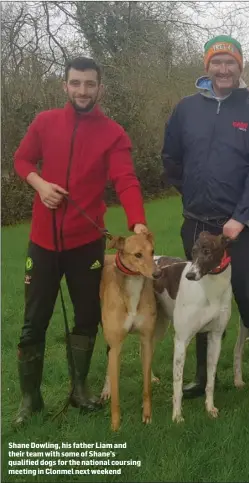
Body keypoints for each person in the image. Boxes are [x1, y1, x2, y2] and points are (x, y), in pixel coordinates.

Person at [13, 57, 148, 427]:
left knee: (87, 318)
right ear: (65, 86)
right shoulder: (45, 123)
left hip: (86, 245)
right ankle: (30, 399)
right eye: (76, 83)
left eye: (90, 84)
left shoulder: (114, 134)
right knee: (33, 322)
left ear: (100, 88)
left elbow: (126, 180)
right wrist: (40, 185)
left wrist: (137, 221)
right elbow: (22, 160)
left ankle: (79, 389)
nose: (82, 91)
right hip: (42, 243)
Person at [161, 35, 249, 410]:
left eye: (230, 62)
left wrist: (240, 218)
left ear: (240, 66)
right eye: (217, 62)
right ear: (207, 67)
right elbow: (172, 160)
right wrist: (196, 198)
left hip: (242, 230)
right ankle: (201, 377)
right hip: (198, 226)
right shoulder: (185, 109)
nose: (224, 69)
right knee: (198, 300)